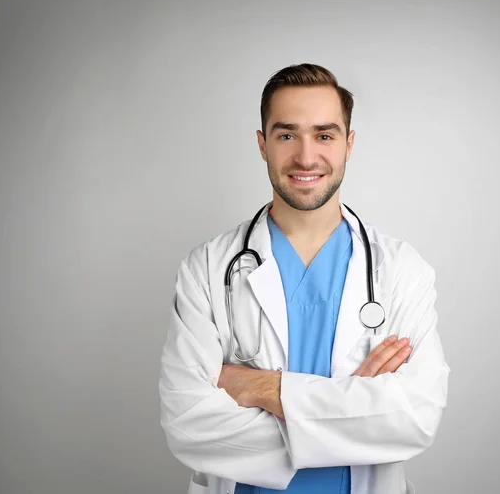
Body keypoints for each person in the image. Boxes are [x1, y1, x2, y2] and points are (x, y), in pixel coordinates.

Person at [159, 63, 450, 494]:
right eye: (287, 135)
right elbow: (188, 422)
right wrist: (354, 415)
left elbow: (413, 419)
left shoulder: (401, 270)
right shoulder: (208, 267)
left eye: (325, 135)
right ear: (262, 144)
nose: (306, 157)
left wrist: (262, 388)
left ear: (349, 144)